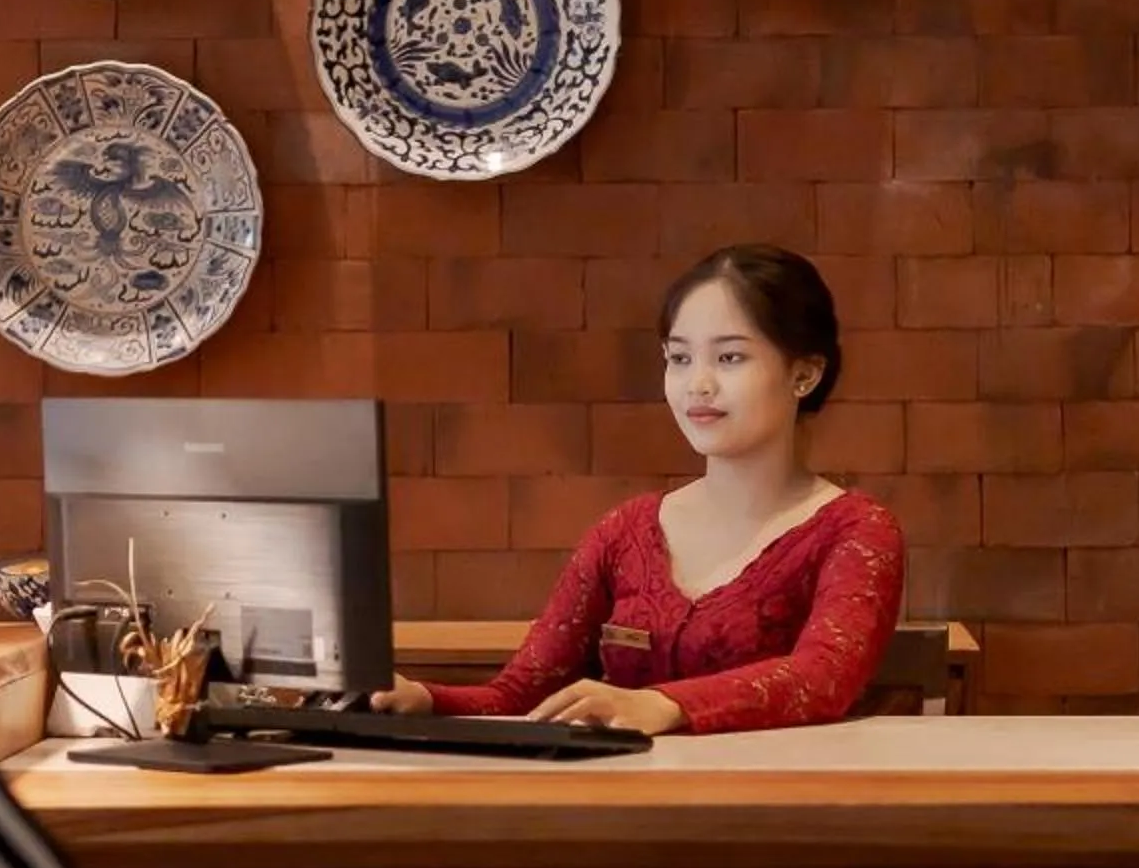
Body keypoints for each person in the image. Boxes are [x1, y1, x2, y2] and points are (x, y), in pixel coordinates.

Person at [375, 244, 906, 735]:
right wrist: (425, 698)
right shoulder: (625, 532)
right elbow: (523, 694)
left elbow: (822, 678)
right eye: (679, 358)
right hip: (623, 799)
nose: (698, 384)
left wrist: (663, 704)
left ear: (804, 375)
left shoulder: (857, 530)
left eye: (729, 358)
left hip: (777, 800)